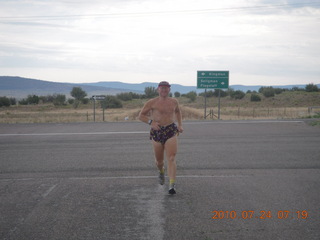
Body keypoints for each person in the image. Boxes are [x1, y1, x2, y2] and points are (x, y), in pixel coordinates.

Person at [139, 81, 183, 194]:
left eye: (166, 88)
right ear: (158, 89)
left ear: (169, 89)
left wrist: (180, 125)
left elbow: (178, 112)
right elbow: (141, 115)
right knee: (159, 161)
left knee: (172, 157)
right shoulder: (152, 102)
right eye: (162, 88)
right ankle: (161, 171)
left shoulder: (174, 101)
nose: (164, 90)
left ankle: (172, 184)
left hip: (170, 130)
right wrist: (151, 122)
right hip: (157, 131)